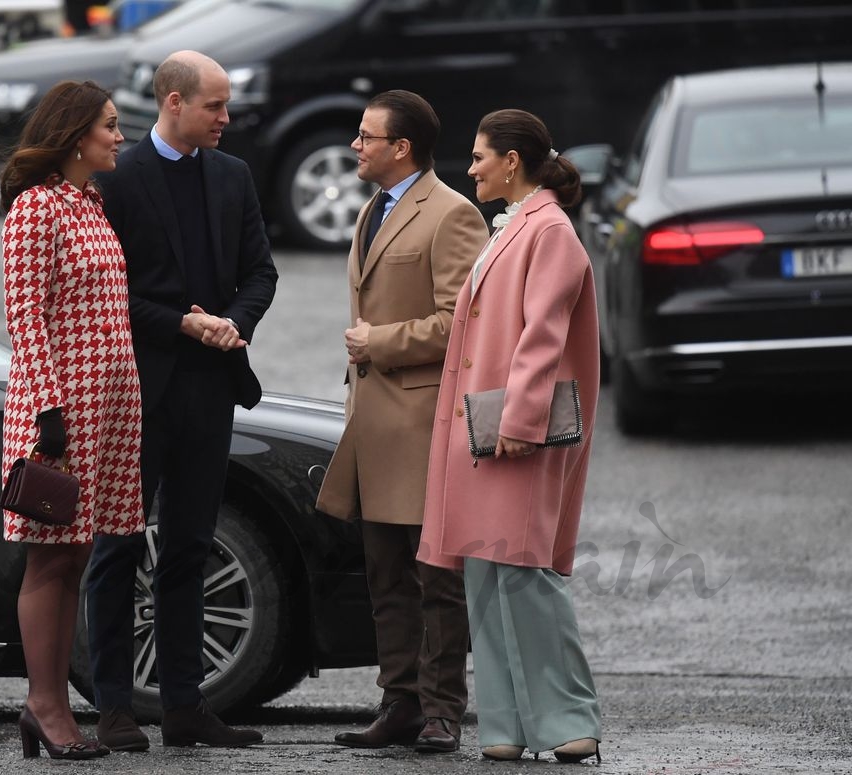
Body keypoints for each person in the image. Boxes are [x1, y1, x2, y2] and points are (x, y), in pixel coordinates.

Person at [84, 50, 277, 751]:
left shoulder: (232, 174)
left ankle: (184, 704)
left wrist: (236, 321)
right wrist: (182, 322)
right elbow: (107, 292)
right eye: (215, 106)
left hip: (211, 385)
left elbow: (260, 269)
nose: (227, 117)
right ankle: (112, 706)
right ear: (173, 102)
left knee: (191, 547)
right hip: (135, 387)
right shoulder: (121, 177)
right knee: (117, 547)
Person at [418, 108, 603, 764]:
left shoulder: (547, 229)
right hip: (488, 430)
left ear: (511, 162)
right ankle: (506, 726)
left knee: (527, 573)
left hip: (516, 431)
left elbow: (543, 333)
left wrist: (521, 423)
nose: (470, 168)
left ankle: (566, 722)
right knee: (488, 576)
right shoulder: (518, 226)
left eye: (478, 157)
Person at [315, 90, 489, 754]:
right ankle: (401, 702)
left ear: (401, 148)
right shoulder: (371, 208)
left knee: (436, 576)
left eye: (366, 137)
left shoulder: (452, 215)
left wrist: (379, 342)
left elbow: (460, 321)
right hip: (375, 423)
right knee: (385, 573)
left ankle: (444, 708)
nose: (355, 146)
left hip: (423, 423)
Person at [0, 79, 144, 761]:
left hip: (106, 410)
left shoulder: (90, 204)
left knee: (78, 555)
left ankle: (51, 700)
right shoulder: (35, 209)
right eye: (110, 126)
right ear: (75, 133)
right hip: (57, 410)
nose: (119, 136)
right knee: (49, 560)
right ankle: (44, 703)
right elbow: (26, 318)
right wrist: (49, 410)